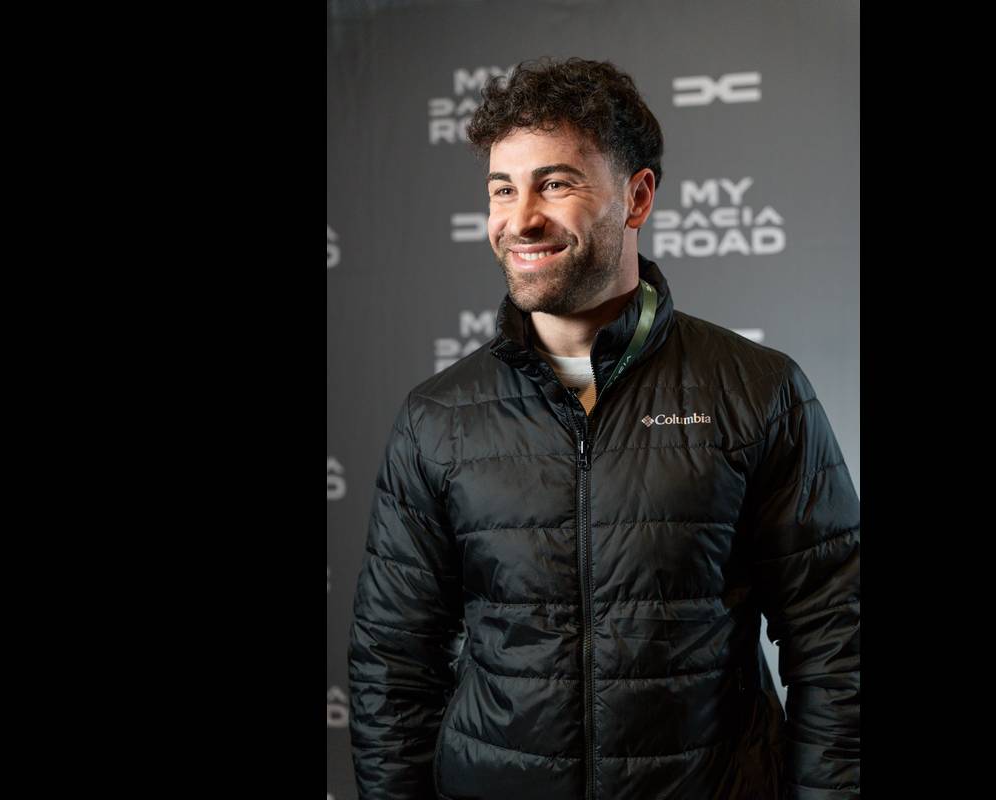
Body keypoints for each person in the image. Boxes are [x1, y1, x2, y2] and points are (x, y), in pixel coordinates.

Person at [349, 57, 859, 800]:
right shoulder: (437, 417)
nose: (521, 218)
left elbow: (838, 641)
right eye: (503, 189)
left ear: (637, 196)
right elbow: (393, 667)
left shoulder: (759, 390)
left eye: (555, 184)